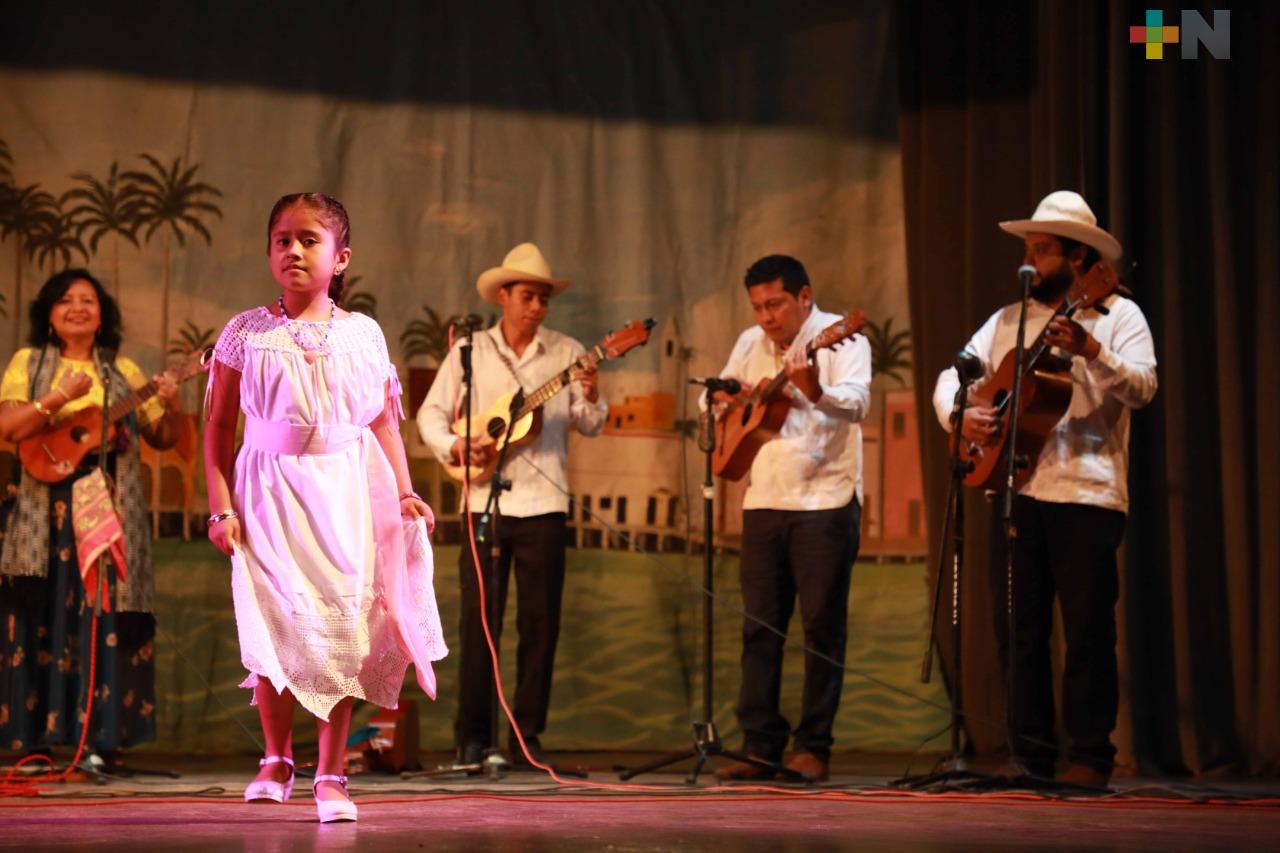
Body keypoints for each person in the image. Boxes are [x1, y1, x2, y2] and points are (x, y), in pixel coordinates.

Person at [203, 193, 445, 822]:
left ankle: (332, 772)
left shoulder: (363, 334)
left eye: (309, 239)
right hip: (268, 492)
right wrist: (220, 509)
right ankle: (276, 758)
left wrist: (405, 491)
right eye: (282, 239)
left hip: (345, 492)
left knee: (343, 630)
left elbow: (384, 423)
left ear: (340, 257)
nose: (294, 250)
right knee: (275, 622)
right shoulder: (245, 333)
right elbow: (218, 428)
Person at [932, 190, 1157, 787]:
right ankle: (1028, 755)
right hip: (1017, 491)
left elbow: (1143, 388)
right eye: (1027, 248)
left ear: (1079, 257)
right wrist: (960, 416)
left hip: (1086, 493)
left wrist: (1093, 351)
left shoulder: (1118, 316)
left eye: (1041, 249)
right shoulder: (1008, 320)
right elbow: (954, 374)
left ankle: (1089, 757)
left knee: (1086, 631)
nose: (1027, 261)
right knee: (1019, 630)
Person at [417, 242, 606, 769]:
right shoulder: (469, 351)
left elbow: (591, 424)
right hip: (483, 502)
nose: (538, 307)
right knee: (479, 624)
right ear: (503, 295)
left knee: (540, 626)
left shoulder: (568, 353)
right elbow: (431, 415)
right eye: (528, 296)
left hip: (545, 505)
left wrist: (591, 393)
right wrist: (458, 446)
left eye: (544, 298)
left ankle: (526, 739)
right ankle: (473, 738)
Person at [0, 269, 184, 768]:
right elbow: (9, 427)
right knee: (39, 615)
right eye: (66, 300)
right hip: (44, 517)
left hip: (107, 517)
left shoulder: (122, 370)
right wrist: (57, 398)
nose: (77, 308)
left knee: (103, 617)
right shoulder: (29, 363)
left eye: (88, 300)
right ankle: (33, 743)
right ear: (49, 314)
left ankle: (101, 740)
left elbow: (163, 436)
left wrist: (171, 402)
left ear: (102, 315)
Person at [711, 254, 871, 783]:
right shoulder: (749, 343)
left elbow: (858, 403)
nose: (765, 317)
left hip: (824, 501)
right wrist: (723, 401)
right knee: (759, 628)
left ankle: (812, 746)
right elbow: (718, 399)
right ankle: (759, 744)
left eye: (775, 304)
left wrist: (814, 389)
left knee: (821, 629)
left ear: (805, 296)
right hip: (763, 500)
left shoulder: (840, 337)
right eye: (758, 307)